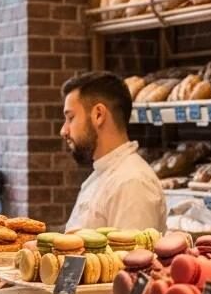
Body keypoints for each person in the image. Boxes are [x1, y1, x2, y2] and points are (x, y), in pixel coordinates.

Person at [61, 71, 166, 232]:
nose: (64, 130)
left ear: (98, 115)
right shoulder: (103, 174)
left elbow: (133, 256)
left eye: (71, 118)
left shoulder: (132, 182)